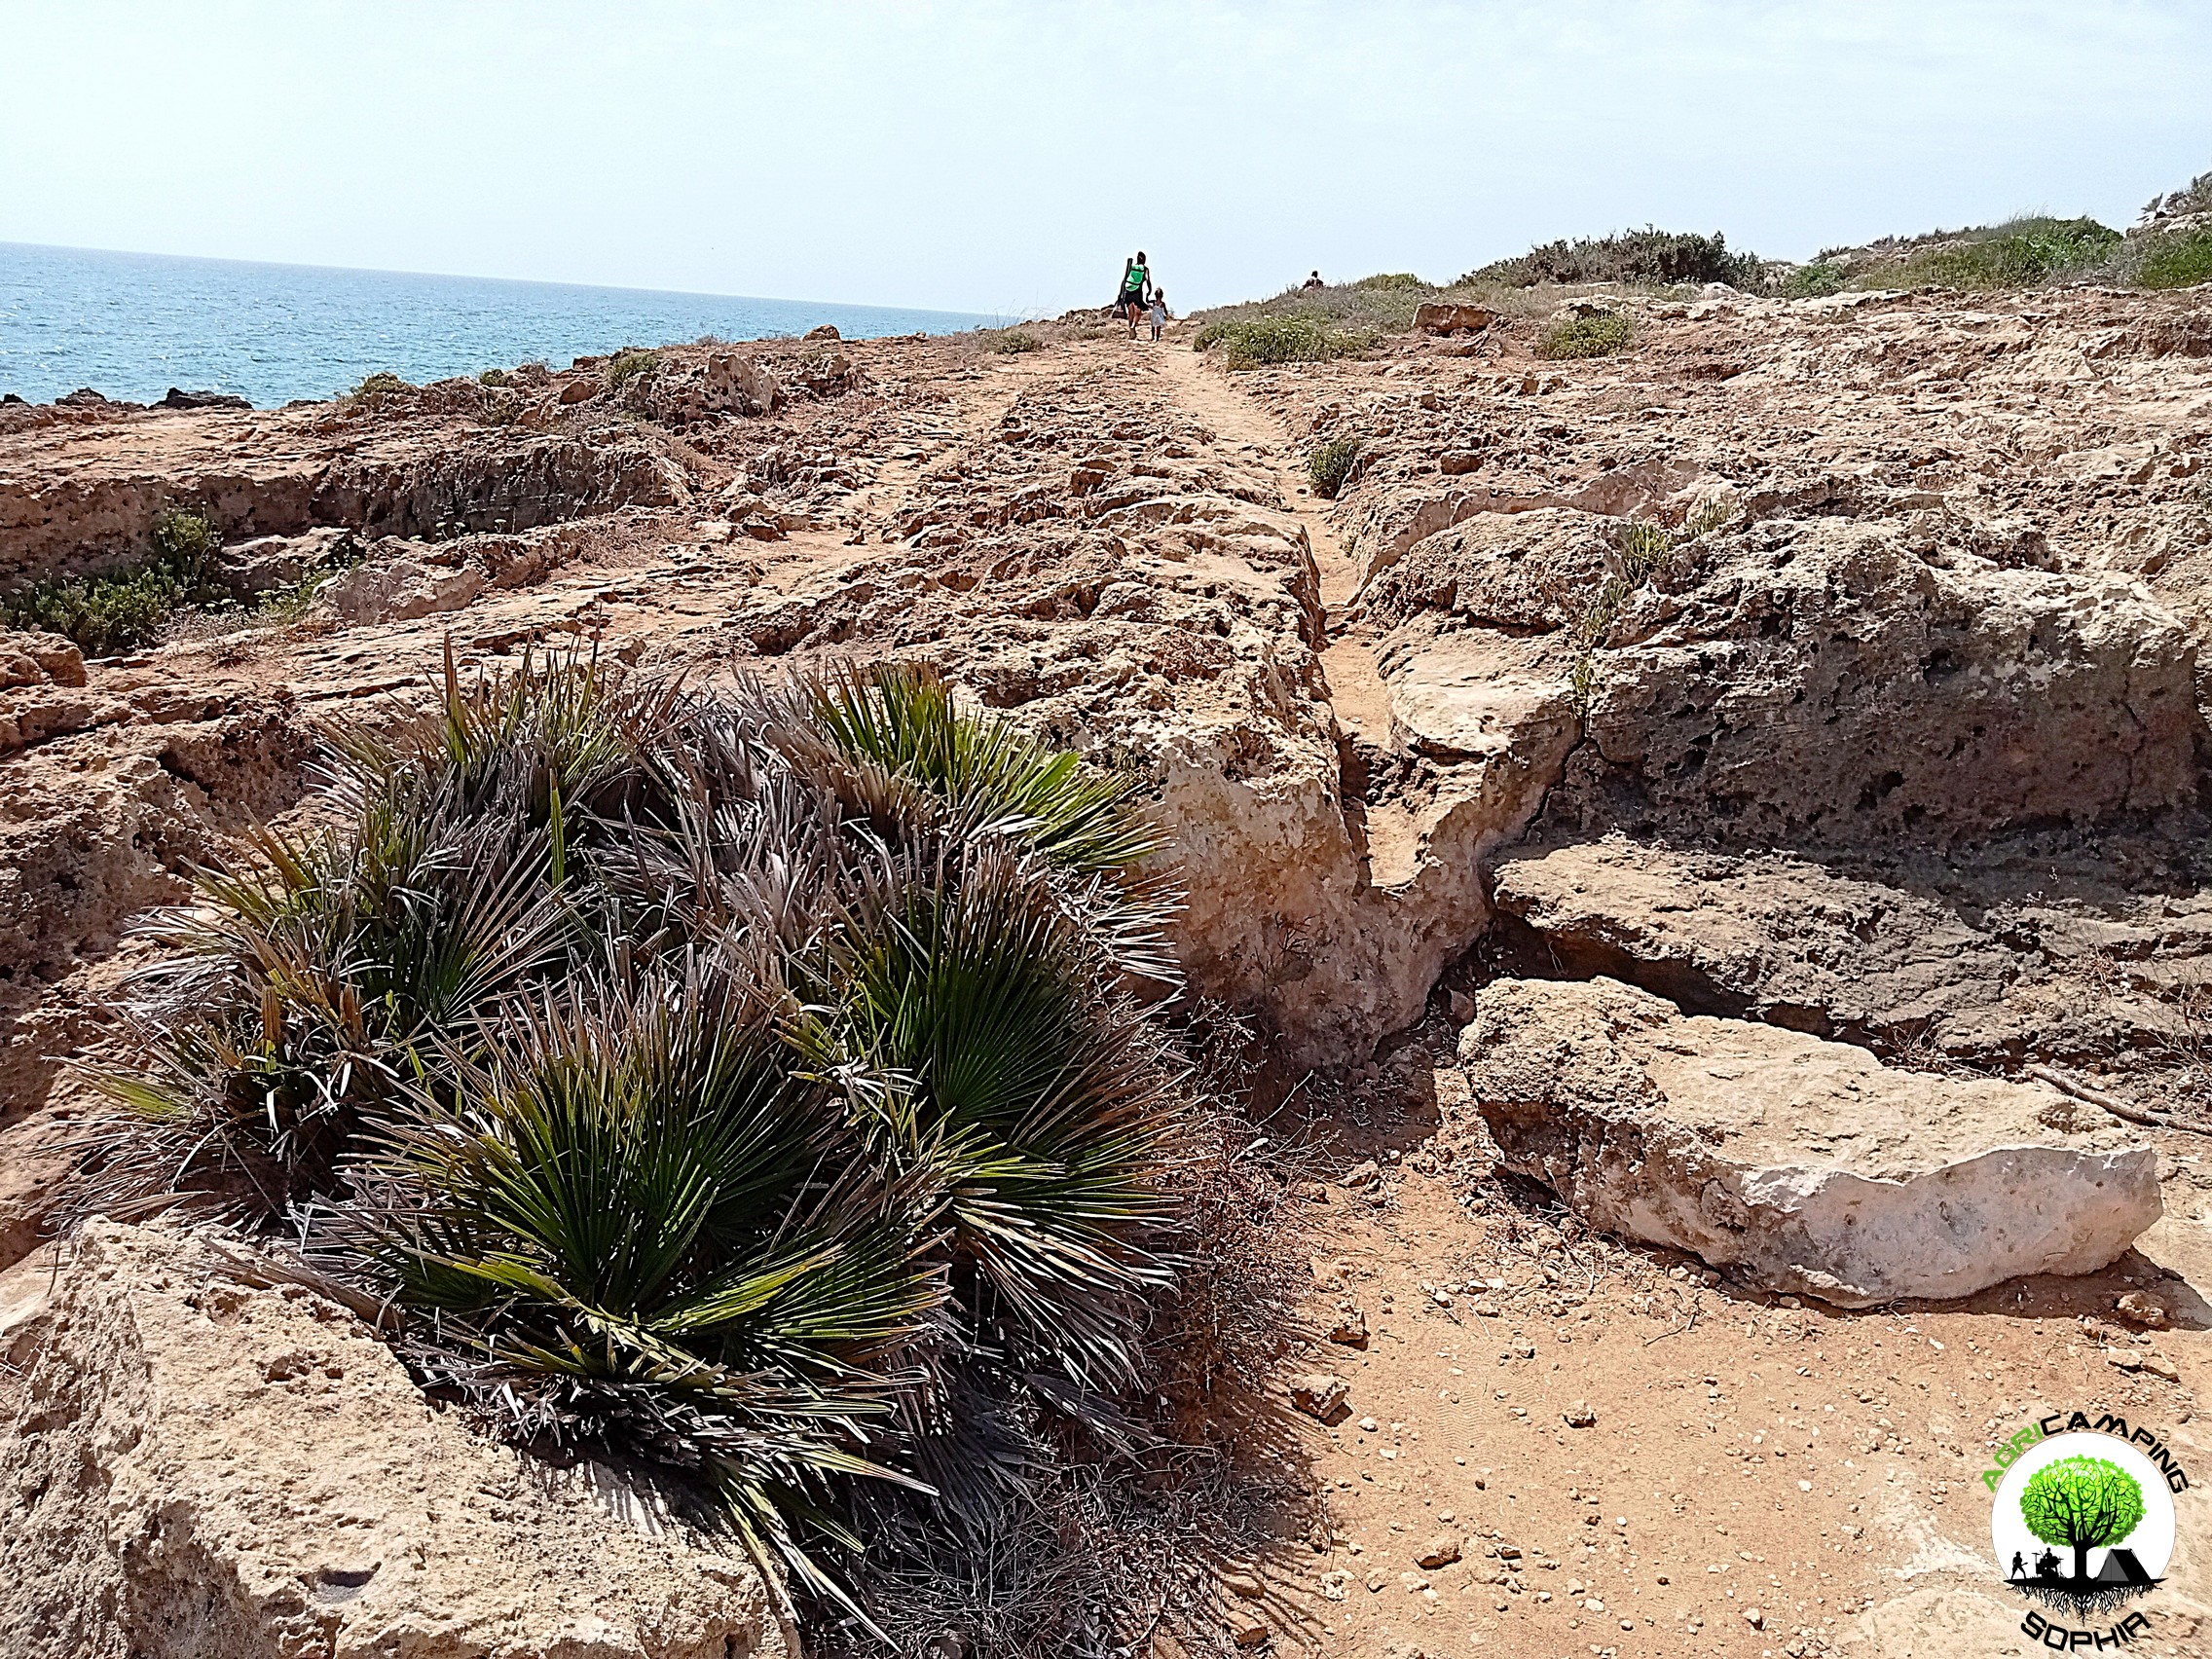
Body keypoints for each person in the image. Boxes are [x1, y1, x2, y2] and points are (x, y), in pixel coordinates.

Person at [1117, 251, 1151, 335]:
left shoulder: (1131, 267)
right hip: (1137, 291)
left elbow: (1124, 280)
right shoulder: (1145, 269)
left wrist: (1120, 293)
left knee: (1131, 312)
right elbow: (1147, 279)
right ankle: (1133, 327)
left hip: (1128, 290)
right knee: (1138, 313)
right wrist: (1149, 291)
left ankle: (1131, 331)